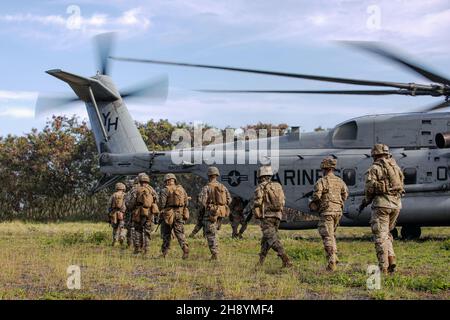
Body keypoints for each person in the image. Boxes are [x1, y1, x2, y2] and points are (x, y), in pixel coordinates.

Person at [359, 144, 404, 274]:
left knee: (380, 236)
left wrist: (365, 202)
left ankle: (383, 267)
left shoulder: (374, 168)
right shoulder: (396, 167)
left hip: (382, 205)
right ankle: (391, 258)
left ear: (375, 155)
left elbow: (369, 189)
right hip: (396, 205)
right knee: (386, 234)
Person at [310, 157, 348, 271]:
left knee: (327, 236)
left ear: (323, 168)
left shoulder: (321, 181)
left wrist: (314, 203)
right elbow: (345, 195)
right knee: (331, 235)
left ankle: (331, 261)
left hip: (327, 212)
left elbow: (317, 196)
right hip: (338, 212)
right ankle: (335, 257)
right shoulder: (340, 181)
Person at [252, 165, 292, 268]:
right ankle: (260, 262)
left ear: (261, 176)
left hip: (267, 217)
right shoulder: (277, 186)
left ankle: (286, 260)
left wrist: (256, 209)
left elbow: (258, 202)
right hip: (277, 216)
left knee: (272, 239)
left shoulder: (260, 187)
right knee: (266, 239)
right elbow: (283, 201)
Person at [198, 166, 231, 260]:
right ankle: (215, 252)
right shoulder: (222, 187)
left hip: (211, 213)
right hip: (220, 213)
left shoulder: (206, 187)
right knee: (214, 232)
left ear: (208, 175)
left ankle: (214, 254)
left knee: (210, 234)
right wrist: (221, 207)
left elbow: (202, 201)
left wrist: (206, 208)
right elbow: (229, 199)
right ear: (216, 175)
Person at [158, 173, 190, 259]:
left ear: (167, 181)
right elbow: (186, 202)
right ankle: (185, 248)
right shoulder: (181, 189)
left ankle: (165, 253)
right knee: (179, 232)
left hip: (168, 214)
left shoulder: (165, 190)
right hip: (179, 213)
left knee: (166, 234)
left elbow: (162, 204)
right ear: (174, 180)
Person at [132, 173, 159, 255]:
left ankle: (138, 249)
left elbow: (130, 202)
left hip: (138, 213)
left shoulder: (136, 189)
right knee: (147, 232)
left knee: (138, 230)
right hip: (149, 213)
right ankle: (146, 250)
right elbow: (157, 200)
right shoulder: (152, 189)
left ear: (139, 180)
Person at [108, 182, 127, 247]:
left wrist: (109, 213)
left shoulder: (113, 195)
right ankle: (122, 236)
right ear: (123, 188)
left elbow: (109, 205)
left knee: (115, 228)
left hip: (114, 213)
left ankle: (114, 240)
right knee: (123, 227)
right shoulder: (125, 195)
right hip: (123, 213)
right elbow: (128, 204)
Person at [124, 177, 139, 248]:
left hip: (133, 213)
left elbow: (127, 203)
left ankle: (131, 244)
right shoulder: (148, 189)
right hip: (145, 212)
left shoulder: (130, 192)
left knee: (131, 228)